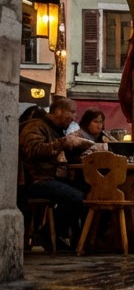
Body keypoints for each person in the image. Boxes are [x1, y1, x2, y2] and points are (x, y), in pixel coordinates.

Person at [18, 97, 94, 248]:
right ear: (58, 111)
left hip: (55, 178)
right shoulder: (36, 126)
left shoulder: (56, 130)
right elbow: (33, 150)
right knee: (77, 198)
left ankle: (85, 240)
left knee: (90, 192)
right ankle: (46, 234)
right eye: (71, 112)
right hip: (38, 179)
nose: (74, 117)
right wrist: (64, 142)